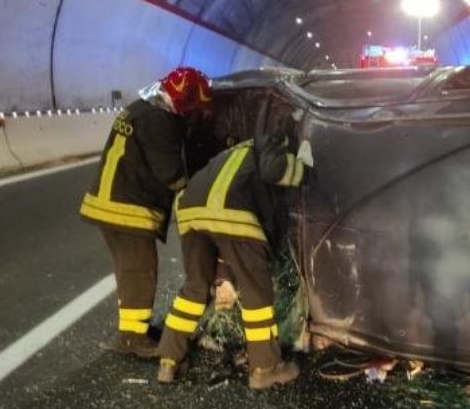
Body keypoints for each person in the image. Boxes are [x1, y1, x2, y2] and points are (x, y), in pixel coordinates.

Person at [80, 66, 212, 358]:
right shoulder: (158, 120)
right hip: (125, 208)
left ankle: (136, 328)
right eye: (194, 109)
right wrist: (199, 193)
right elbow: (170, 172)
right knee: (139, 270)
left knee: (133, 270)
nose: (194, 115)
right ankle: (130, 338)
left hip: (111, 202)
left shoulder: (141, 108)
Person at [156, 132, 307, 389]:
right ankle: (265, 368)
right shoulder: (274, 148)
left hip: (191, 209)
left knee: (194, 288)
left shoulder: (231, 153)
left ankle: (169, 360)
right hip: (234, 211)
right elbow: (278, 192)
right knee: (256, 293)